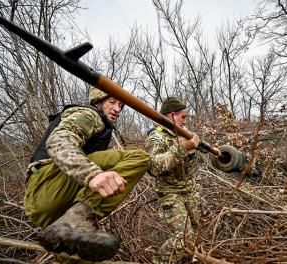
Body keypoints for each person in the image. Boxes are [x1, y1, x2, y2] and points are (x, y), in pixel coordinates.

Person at [23, 88, 150, 263]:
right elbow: (58, 141)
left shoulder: (100, 125)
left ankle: (72, 223)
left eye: (120, 105)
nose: (117, 109)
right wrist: (92, 174)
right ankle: (80, 215)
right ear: (98, 102)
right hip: (47, 186)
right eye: (111, 102)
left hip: (50, 209)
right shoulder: (90, 115)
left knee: (76, 254)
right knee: (139, 156)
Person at [144, 96, 218, 263]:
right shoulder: (156, 138)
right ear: (171, 116)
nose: (185, 121)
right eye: (183, 117)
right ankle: (158, 261)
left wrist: (217, 153)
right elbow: (153, 167)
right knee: (184, 238)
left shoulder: (182, 133)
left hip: (189, 192)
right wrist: (182, 148)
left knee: (196, 236)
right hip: (171, 193)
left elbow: (204, 148)